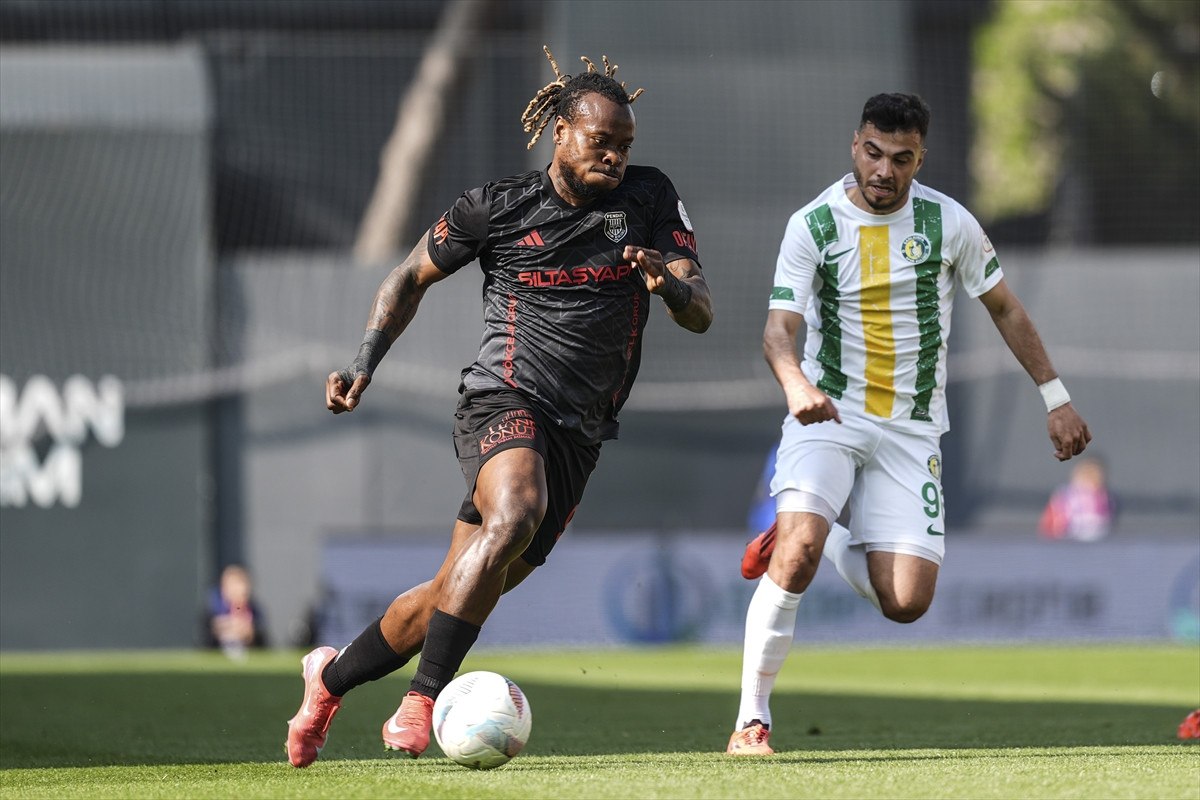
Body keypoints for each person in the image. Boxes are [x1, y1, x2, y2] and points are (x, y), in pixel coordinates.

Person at [286, 46, 712, 768]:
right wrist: (363, 363)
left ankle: (325, 683)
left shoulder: (649, 197)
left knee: (456, 591)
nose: (615, 156)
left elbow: (699, 310)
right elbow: (407, 278)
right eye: (600, 141)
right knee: (515, 513)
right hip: (503, 398)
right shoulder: (497, 205)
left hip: (581, 432)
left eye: (624, 144)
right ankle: (423, 699)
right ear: (560, 132)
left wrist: (665, 283)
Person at [725, 93, 1092, 756]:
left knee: (906, 602)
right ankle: (752, 720)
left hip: (911, 429)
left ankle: (805, 532)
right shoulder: (813, 224)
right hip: (828, 412)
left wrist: (1056, 396)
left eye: (901, 158)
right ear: (855, 144)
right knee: (797, 558)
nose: (884, 170)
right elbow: (779, 329)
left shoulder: (949, 223)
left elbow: (1006, 309)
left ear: (920, 159)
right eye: (873, 152)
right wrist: (796, 384)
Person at [1039, 455, 1115, 541]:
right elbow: (1049, 524)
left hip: (1098, 541)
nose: (1090, 477)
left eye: (1094, 474)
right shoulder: (1064, 496)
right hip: (1067, 541)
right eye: (1086, 473)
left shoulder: (1106, 498)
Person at [203, 564, 267, 658]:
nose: (236, 590)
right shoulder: (212, 613)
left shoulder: (256, 613)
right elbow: (203, 646)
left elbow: (265, 647)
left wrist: (251, 634)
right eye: (231, 585)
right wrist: (217, 630)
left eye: (239, 584)